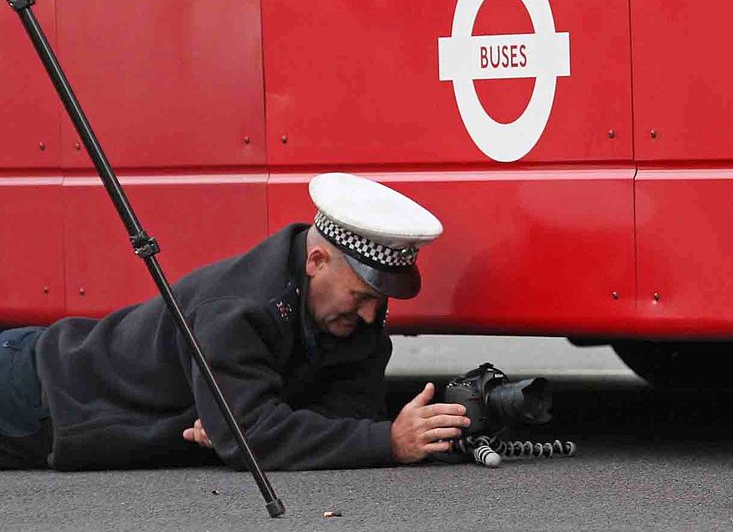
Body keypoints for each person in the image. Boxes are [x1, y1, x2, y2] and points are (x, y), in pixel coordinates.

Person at [0, 173, 471, 471]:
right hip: (38, 393)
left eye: (380, 301)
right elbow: (256, 437)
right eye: (362, 296)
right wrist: (387, 442)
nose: (372, 315)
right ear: (316, 261)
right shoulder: (237, 308)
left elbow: (345, 415)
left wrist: (246, 424)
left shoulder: (351, 317)